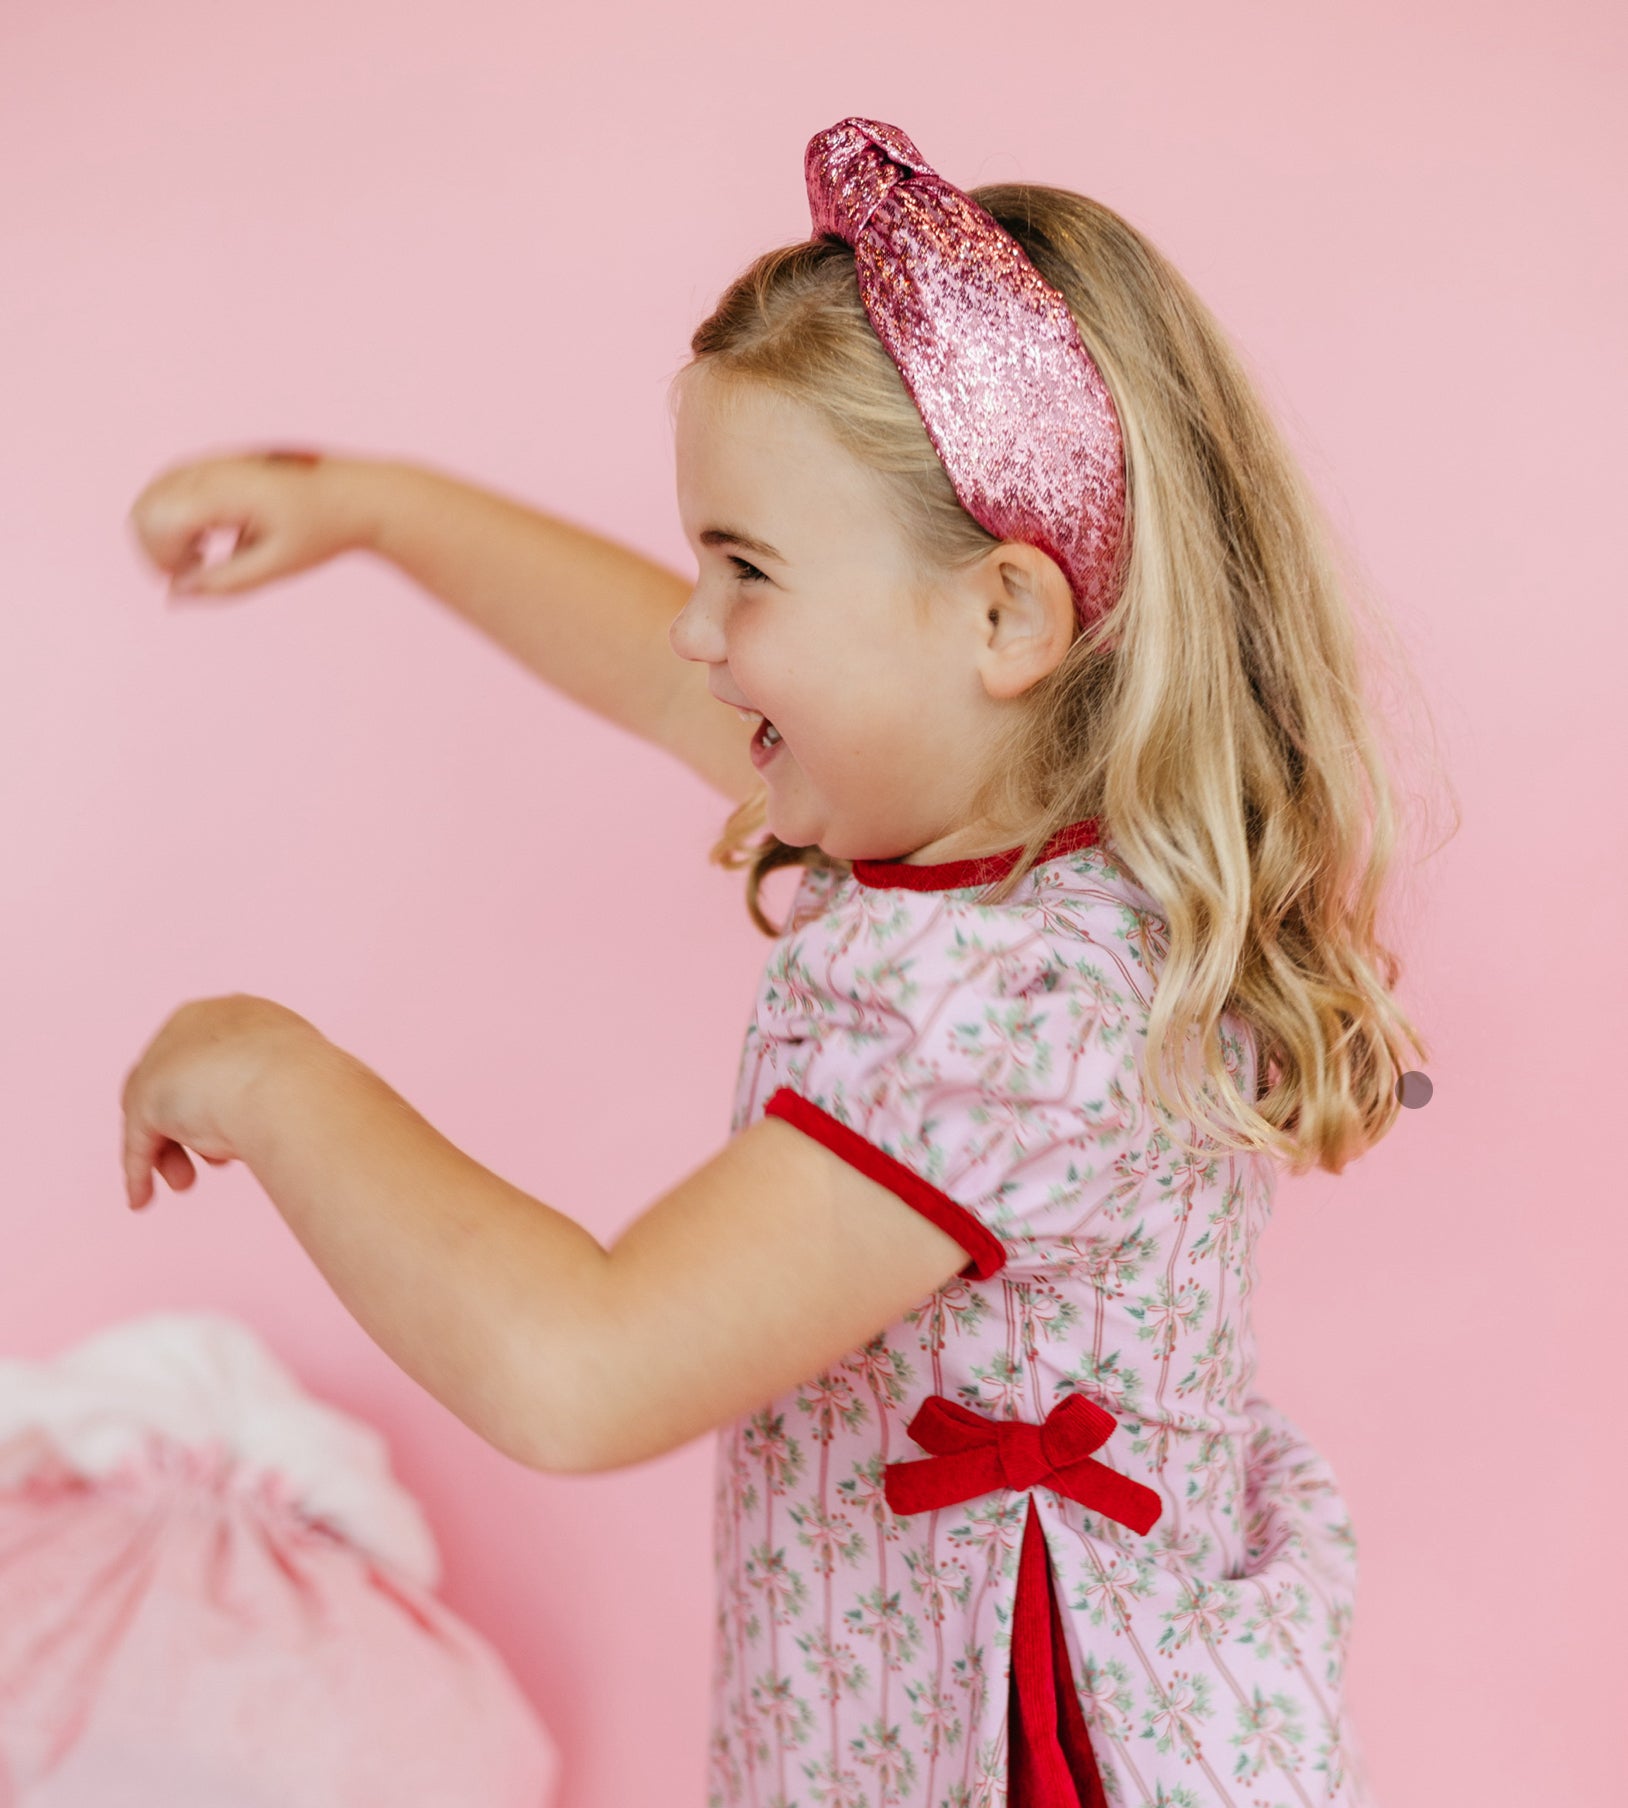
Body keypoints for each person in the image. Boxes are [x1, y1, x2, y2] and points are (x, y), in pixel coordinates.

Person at [121, 117, 1438, 1807]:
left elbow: (578, 1368)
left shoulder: (992, 1016)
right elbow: (673, 677)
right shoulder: (1053, 862)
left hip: (1016, 1758)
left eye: (743, 569)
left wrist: (270, 1071)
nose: (694, 629)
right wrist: (379, 509)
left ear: (1005, 620)